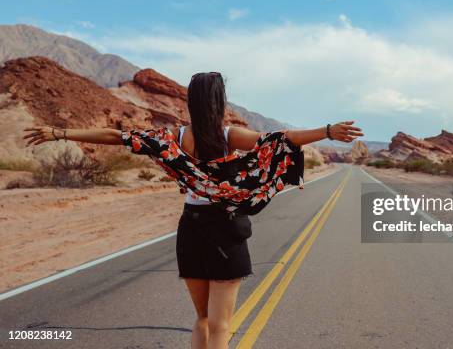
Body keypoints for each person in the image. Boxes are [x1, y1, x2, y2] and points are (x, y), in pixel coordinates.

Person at [23, 71, 363, 349]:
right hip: (225, 231)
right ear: (219, 101)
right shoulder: (229, 135)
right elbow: (280, 139)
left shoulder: (171, 138)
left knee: (202, 320)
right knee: (221, 326)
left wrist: (59, 132)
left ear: (191, 101)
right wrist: (328, 131)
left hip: (190, 230)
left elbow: (119, 136)